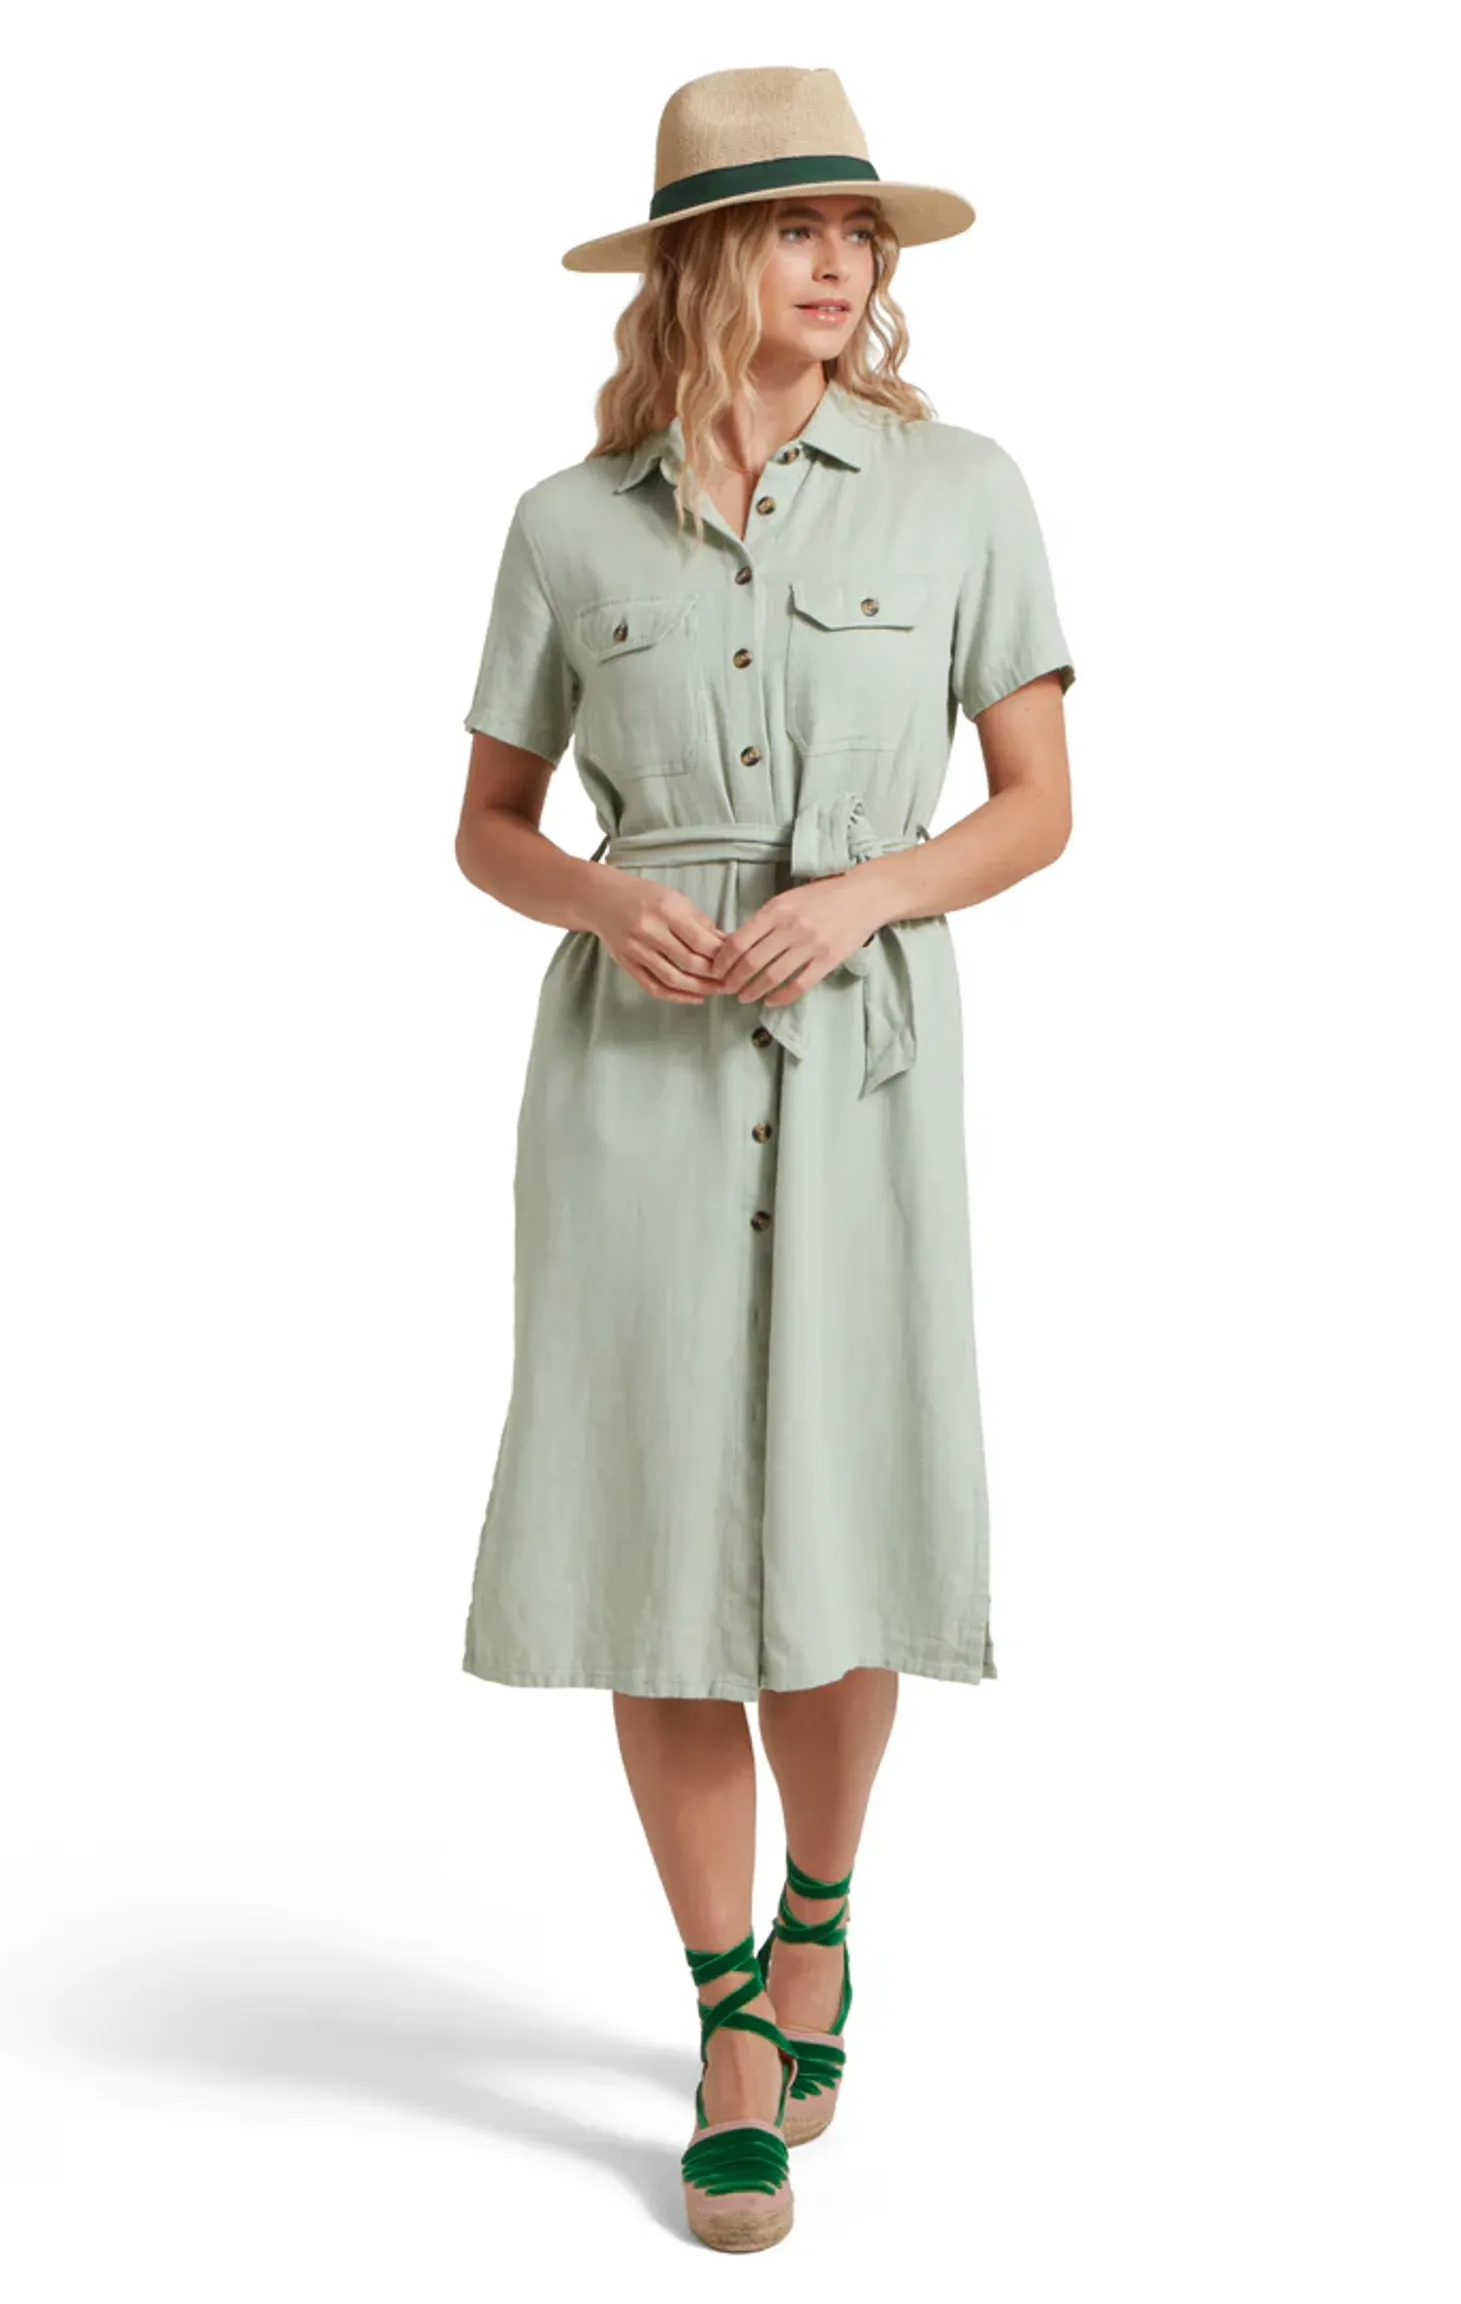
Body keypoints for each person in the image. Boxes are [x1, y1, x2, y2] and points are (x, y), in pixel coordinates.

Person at [452, 66, 1076, 2252]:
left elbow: (1039, 803)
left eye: (860, 230)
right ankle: (731, 2019)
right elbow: (488, 828)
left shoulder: (963, 491)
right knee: (651, 1530)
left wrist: (868, 894)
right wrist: (606, 896)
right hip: (632, 1071)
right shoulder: (569, 524)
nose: (842, 263)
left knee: (839, 1507)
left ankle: (824, 1906)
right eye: (800, 227)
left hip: (861, 1061)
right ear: (710, 255)